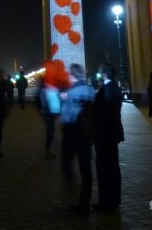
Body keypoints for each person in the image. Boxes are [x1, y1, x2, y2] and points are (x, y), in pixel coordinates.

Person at [60, 63, 96, 215]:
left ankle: (73, 191)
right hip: (87, 132)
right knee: (86, 168)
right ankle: (84, 200)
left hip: (72, 131)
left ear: (72, 75)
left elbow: (65, 114)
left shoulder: (69, 92)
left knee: (66, 162)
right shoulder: (90, 90)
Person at [93, 63, 124, 213]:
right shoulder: (115, 87)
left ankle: (106, 202)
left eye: (99, 72)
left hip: (104, 132)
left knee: (104, 167)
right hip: (113, 131)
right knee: (113, 165)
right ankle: (114, 200)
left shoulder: (107, 89)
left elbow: (102, 111)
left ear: (104, 74)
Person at [40, 72, 62, 157]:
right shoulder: (46, 89)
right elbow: (46, 101)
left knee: (51, 129)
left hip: (49, 112)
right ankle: (47, 149)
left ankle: (48, 148)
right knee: (50, 130)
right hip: (48, 112)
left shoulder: (47, 88)